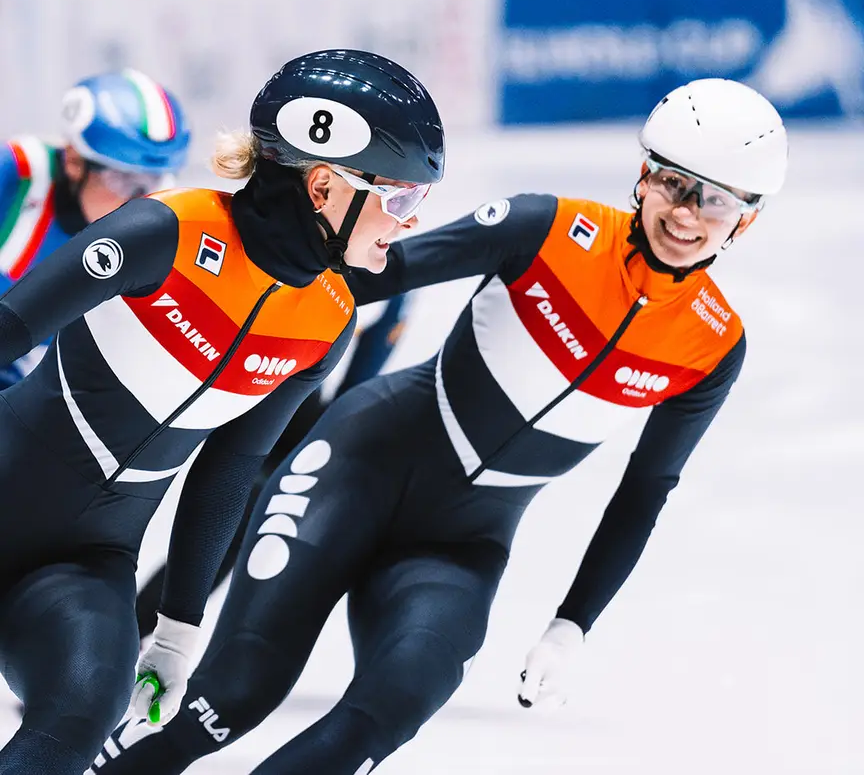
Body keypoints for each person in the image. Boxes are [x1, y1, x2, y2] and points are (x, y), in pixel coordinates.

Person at [88, 78, 787, 775]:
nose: (686, 213)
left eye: (716, 200)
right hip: (357, 467)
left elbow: (644, 492)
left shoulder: (712, 346)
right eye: (673, 183)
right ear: (643, 176)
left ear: (746, 219)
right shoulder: (545, 228)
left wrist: (571, 624)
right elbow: (366, 271)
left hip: (460, 546)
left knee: (392, 707)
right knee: (229, 697)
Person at [0, 48, 444, 775]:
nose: (413, 219)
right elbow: (7, 330)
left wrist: (177, 632)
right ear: (324, 186)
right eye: (400, 198)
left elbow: (232, 468)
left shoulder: (328, 319)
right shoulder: (165, 231)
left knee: (83, 709)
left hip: (85, 566)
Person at [133, 292, 411, 641]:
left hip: (304, 388)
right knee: (227, 524)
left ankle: (142, 625)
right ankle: (140, 624)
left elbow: (373, 353)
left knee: (233, 531)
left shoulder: (390, 289)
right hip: (285, 376)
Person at [0, 69, 190, 388]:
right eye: (123, 179)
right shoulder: (17, 173)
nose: (140, 197)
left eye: (154, 180)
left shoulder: (162, 225)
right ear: (74, 161)